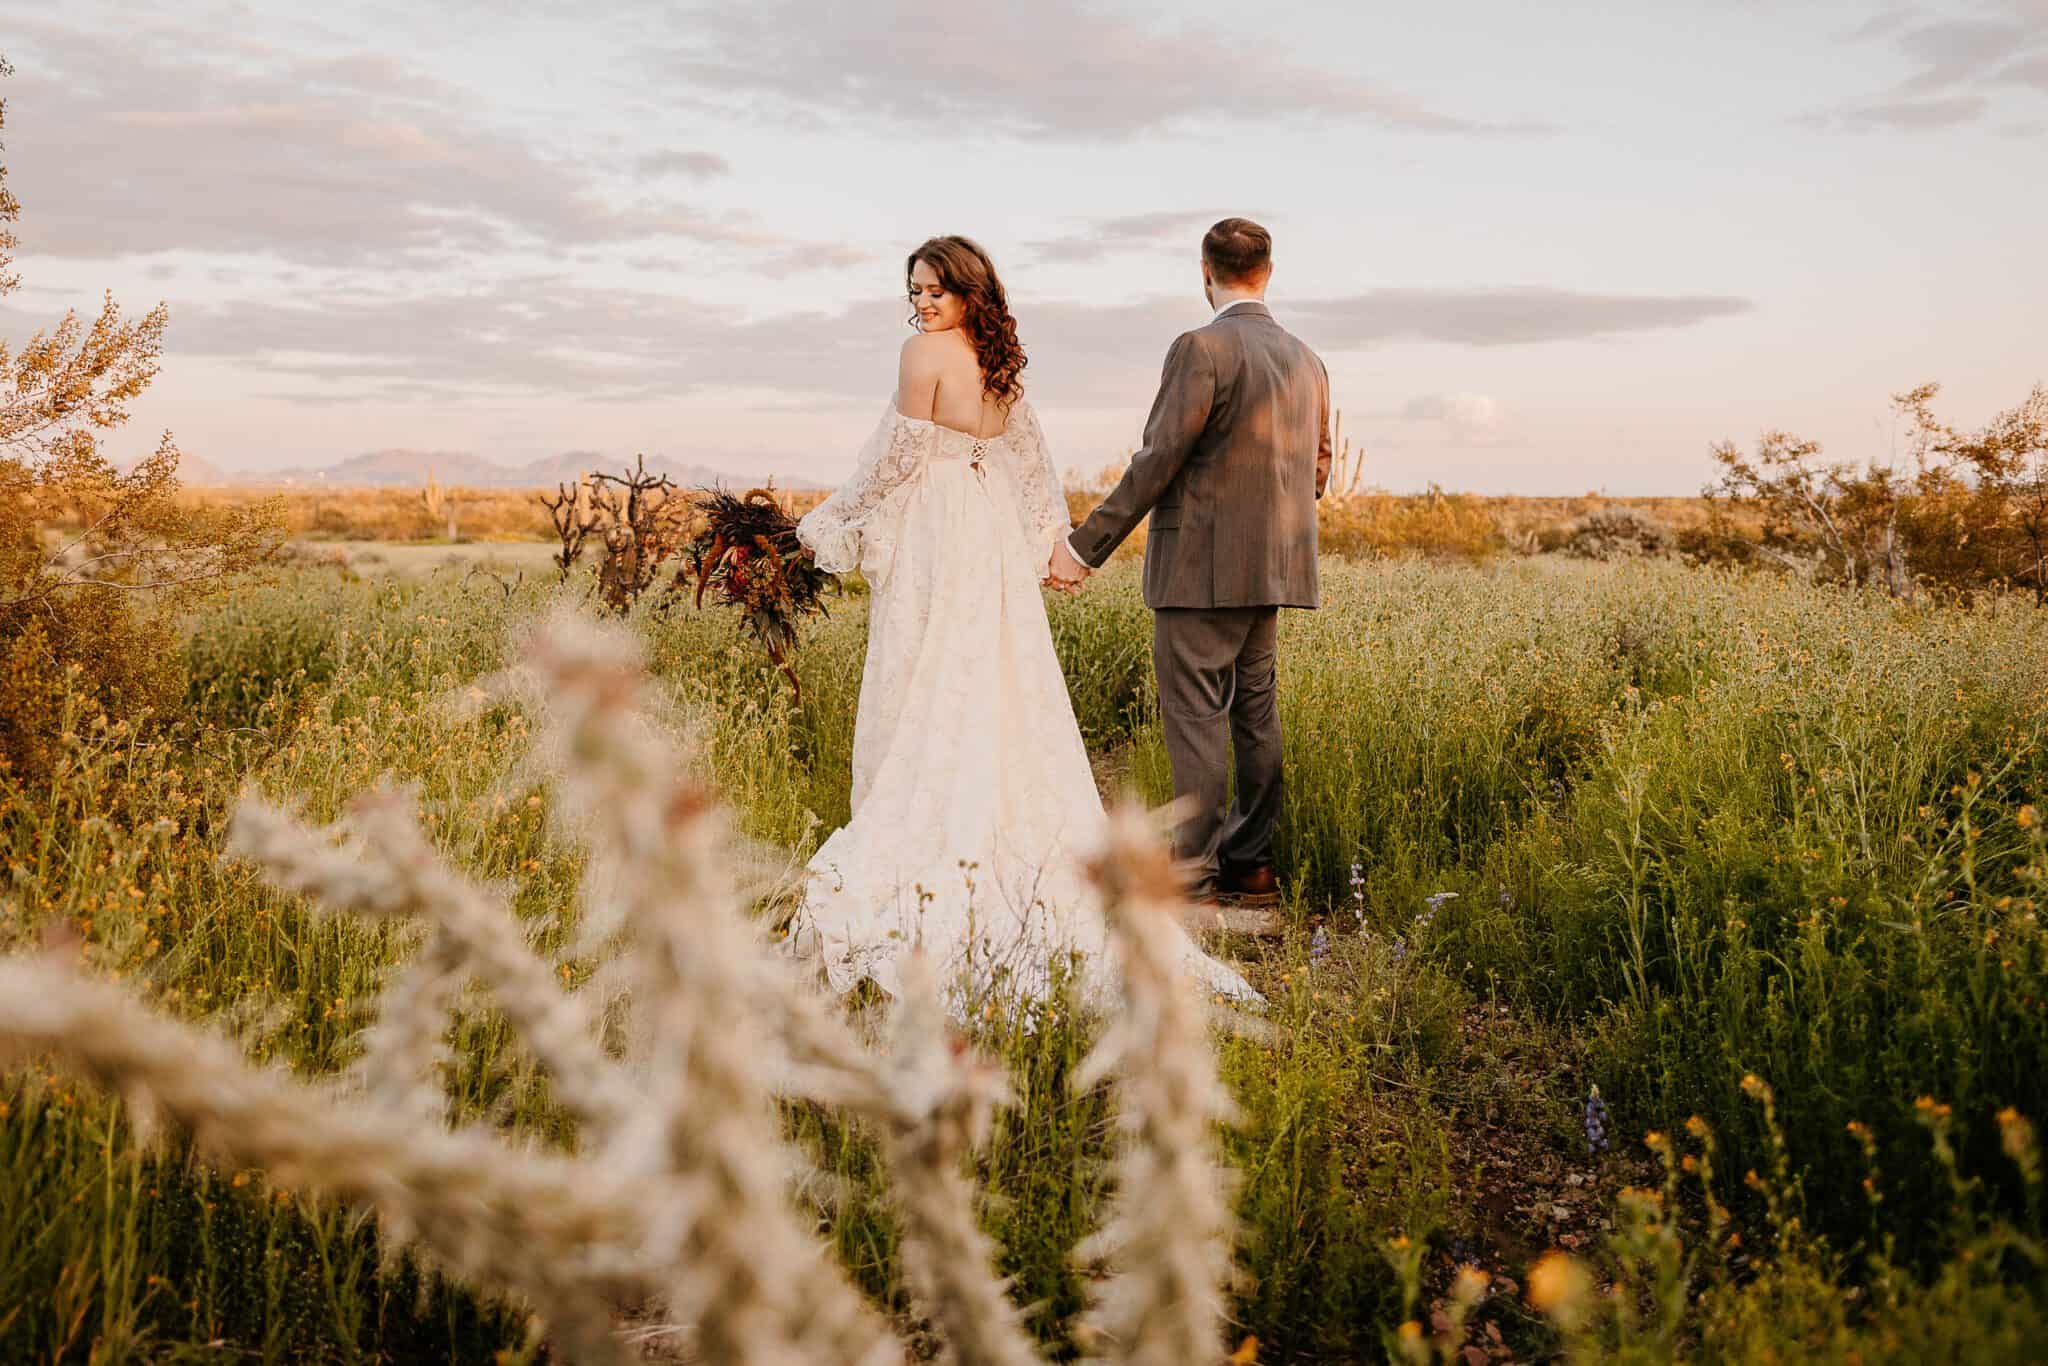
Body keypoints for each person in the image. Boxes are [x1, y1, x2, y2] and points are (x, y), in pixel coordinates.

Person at [786, 235, 1260, 1010]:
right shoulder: (1000, 364)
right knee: (984, 671)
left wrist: (824, 523)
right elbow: (1031, 467)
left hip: (941, 530)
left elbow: (894, 460)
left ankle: (933, 835)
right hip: (987, 530)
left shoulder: (923, 354)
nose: (923, 303)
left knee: (933, 664)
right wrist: (1053, 543)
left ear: (971, 290)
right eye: (914, 292)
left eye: (936, 289)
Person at [1046, 218, 1332, 905]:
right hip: (1275, 568)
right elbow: (1317, 472)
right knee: (1256, 716)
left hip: (1200, 571)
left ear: (1204, 271)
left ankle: (1194, 879)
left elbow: (1158, 459)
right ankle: (1253, 869)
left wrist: (1085, 546)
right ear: (1268, 271)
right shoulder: (1308, 359)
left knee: (1198, 720)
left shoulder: (1199, 347)